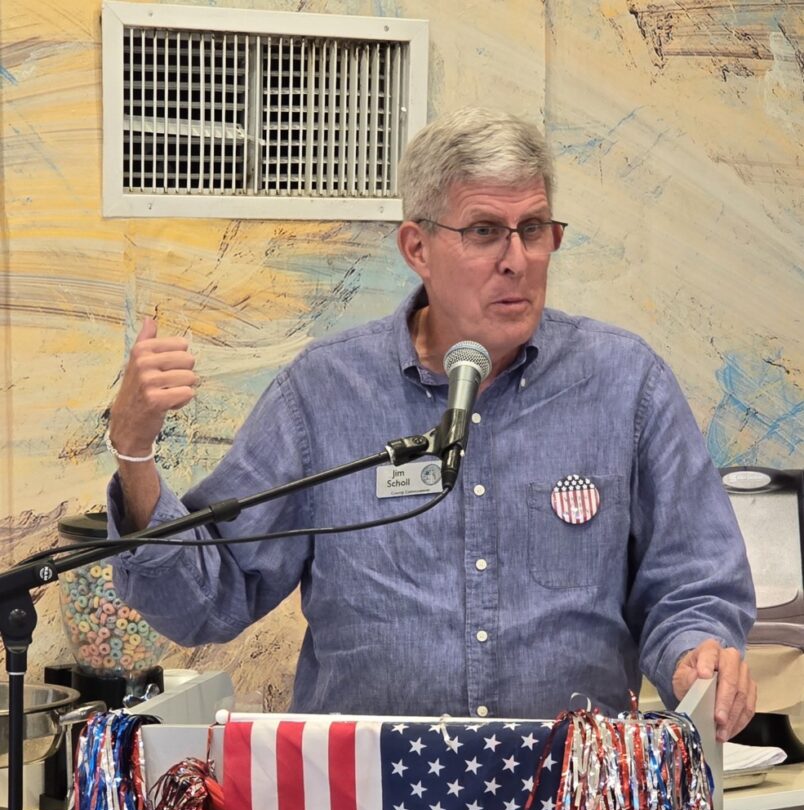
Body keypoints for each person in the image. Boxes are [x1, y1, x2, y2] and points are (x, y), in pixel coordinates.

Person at [106, 107, 757, 740]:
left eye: (533, 228)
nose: (517, 258)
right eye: (483, 231)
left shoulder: (626, 383)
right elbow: (206, 598)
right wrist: (134, 450)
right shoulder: (327, 391)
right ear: (417, 246)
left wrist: (695, 654)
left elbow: (691, 582)